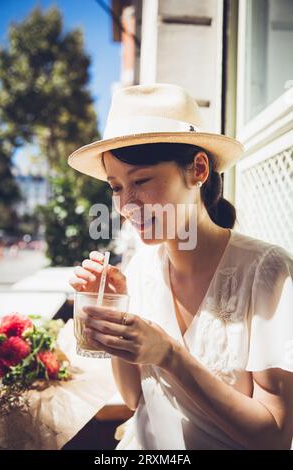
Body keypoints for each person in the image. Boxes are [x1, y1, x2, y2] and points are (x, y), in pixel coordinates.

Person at [68, 83, 293, 450]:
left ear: (198, 169)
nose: (127, 204)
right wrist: (113, 313)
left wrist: (169, 354)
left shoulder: (267, 272)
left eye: (140, 181)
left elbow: (274, 435)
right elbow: (133, 399)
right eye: (115, 187)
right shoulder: (141, 269)